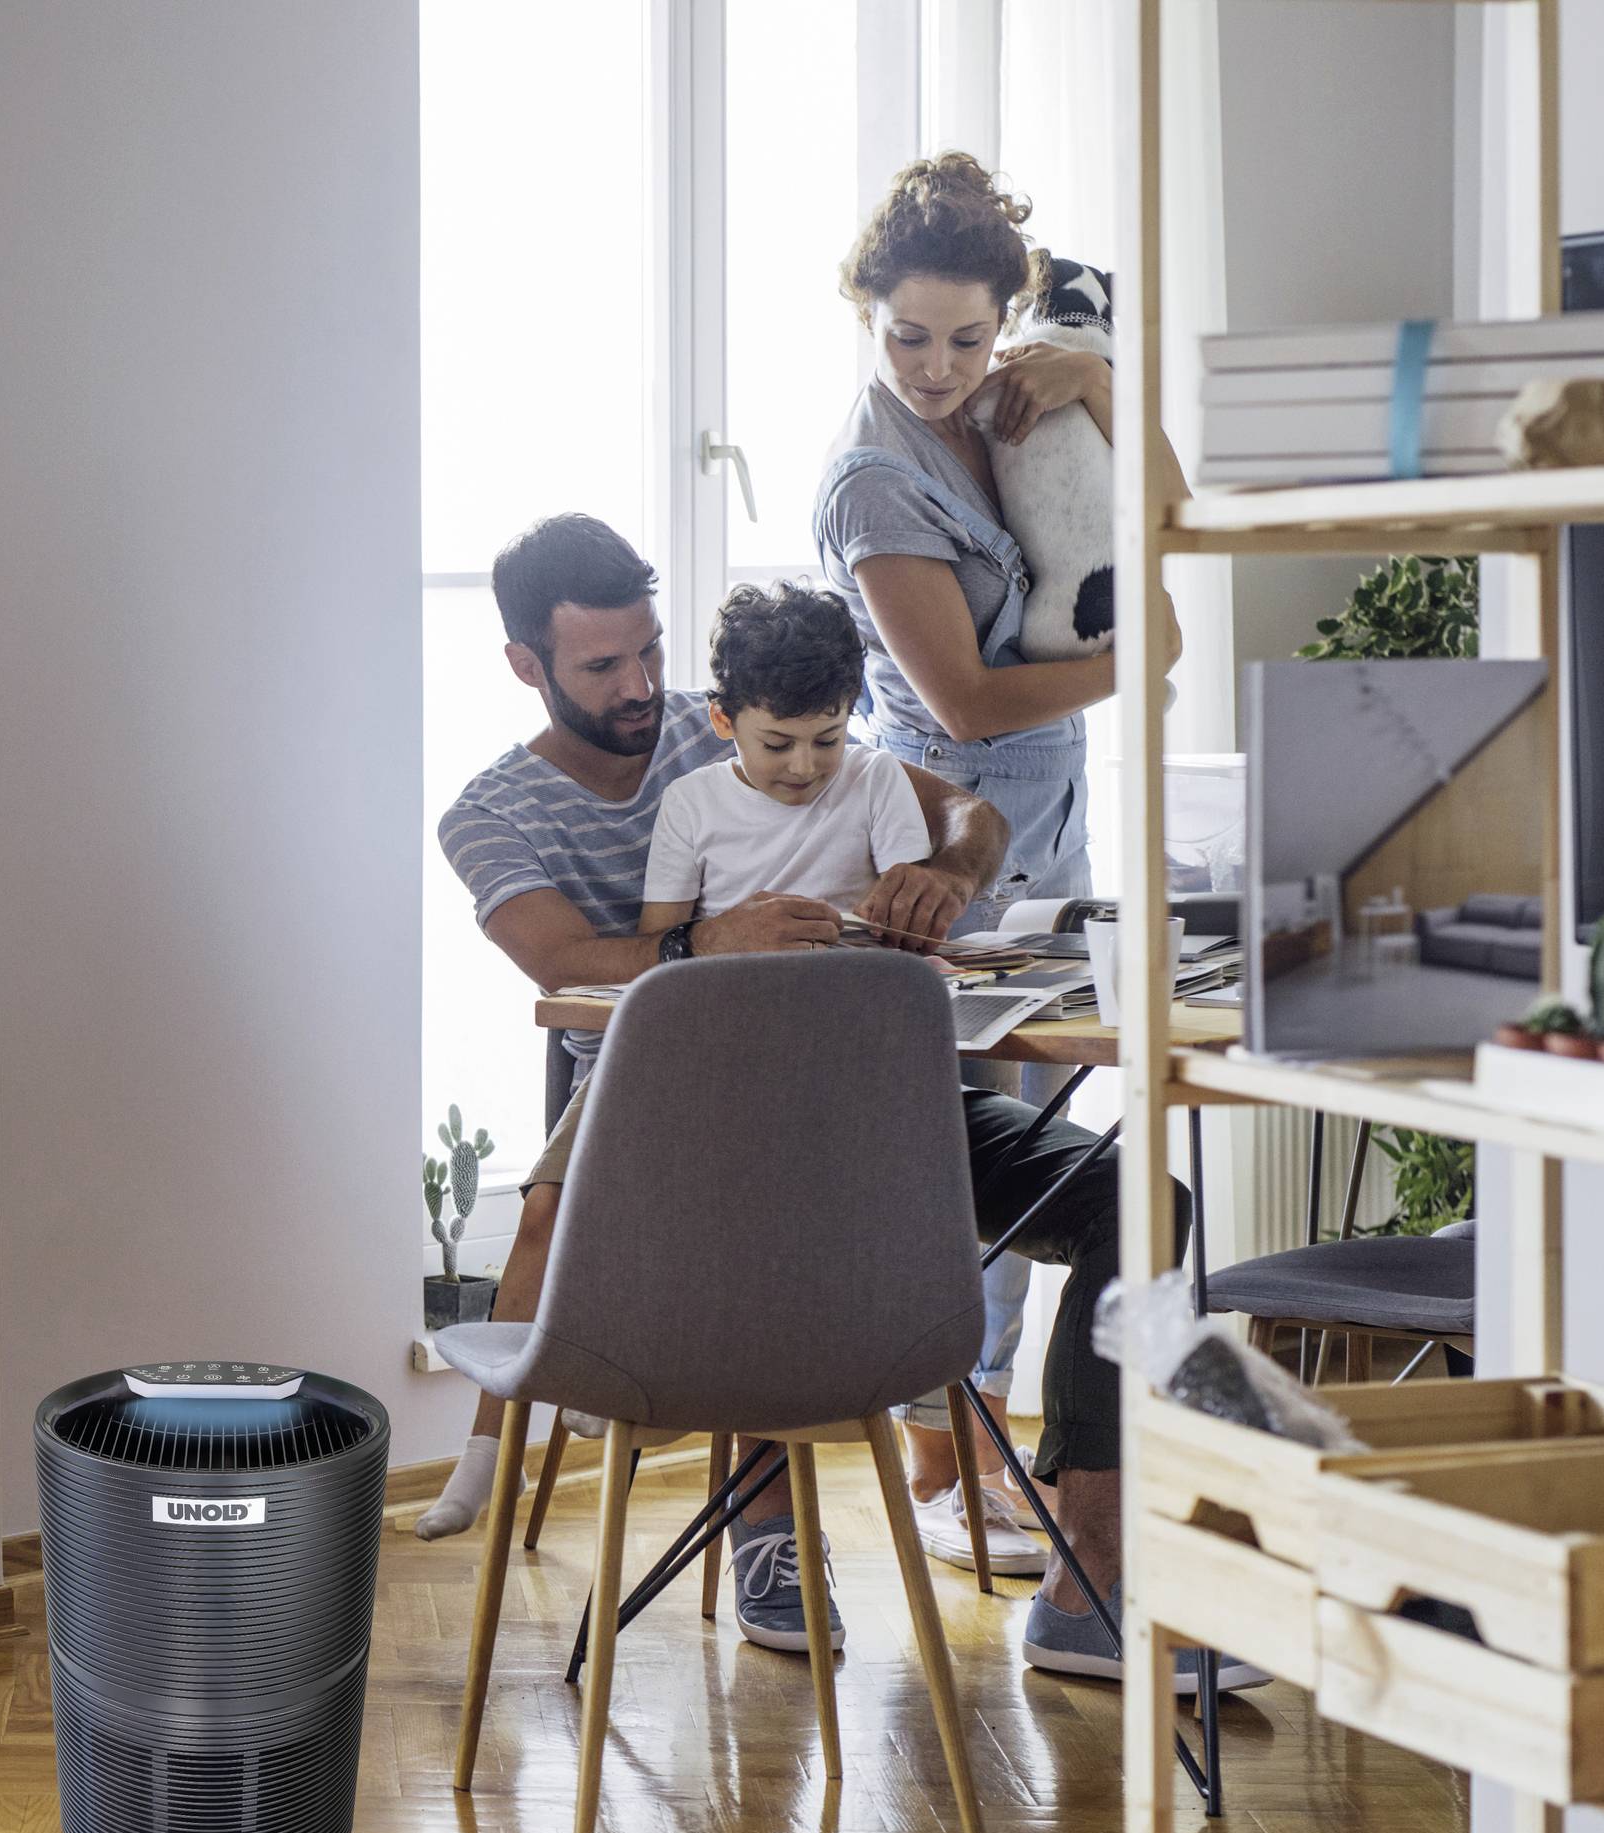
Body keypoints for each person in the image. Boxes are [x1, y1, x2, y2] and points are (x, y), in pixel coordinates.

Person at [431, 512, 1232, 1687]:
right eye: (604, 666)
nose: (643, 684)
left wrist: (937, 875)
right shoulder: (493, 812)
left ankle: (1092, 1571)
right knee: (777, 1223)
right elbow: (560, 961)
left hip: (879, 1099)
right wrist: (711, 940)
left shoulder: (762, 714)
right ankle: (768, 1532)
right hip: (684, 1128)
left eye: (649, 650)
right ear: (527, 666)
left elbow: (971, 815)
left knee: (1139, 1203)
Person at [811, 152, 1189, 1587]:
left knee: (1045, 1152)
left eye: (966, 337)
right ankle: (940, 1452)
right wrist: (1122, 667)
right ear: (867, 314)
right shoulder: (870, 480)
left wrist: (1095, 385)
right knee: (953, 1169)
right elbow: (964, 703)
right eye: (909, 335)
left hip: (1059, 838)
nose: (936, 366)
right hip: (942, 845)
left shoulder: (1019, 400)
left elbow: (1169, 501)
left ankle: (994, 1447)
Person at [633, 582, 932, 947]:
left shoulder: (875, 778)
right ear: (723, 720)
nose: (804, 768)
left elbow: (912, 923)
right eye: (777, 745)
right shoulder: (689, 802)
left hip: (862, 987)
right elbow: (657, 942)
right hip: (737, 992)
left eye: (827, 740)